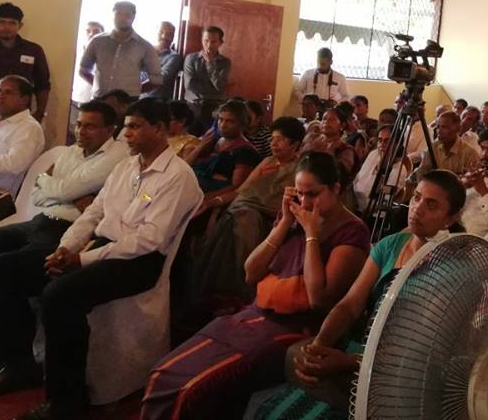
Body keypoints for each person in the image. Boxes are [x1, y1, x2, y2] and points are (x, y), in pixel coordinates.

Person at [0, 98, 203, 419]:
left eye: (135, 127)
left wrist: (83, 260)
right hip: (100, 247)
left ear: (160, 129)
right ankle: (16, 365)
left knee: (59, 295)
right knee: (0, 270)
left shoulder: (177, 176)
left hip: (139, 262)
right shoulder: (126, 167)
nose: (127, 134)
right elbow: (93, 213)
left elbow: (148, 240)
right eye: (126, 127)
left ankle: (66, 402)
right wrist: (66, 248)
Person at [142, 152, 369, 420]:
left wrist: (312, 236)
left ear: (336, 188)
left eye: (313, 194)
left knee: (190, 390)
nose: (305, 202)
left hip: (294, 328)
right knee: (165, 373)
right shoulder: (294, 217)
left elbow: (318, 299)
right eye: (299, 193)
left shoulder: (351, 232)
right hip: (254, 315)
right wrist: (284, 224)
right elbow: (251, 273)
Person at [245, 171, 466, 420]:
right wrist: (320, 345)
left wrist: (351, 361)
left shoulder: (453, 269)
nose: (418, 208)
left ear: (450, 218)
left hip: (400, 366)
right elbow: (350, 305)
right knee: (284, 388)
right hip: (361, 344)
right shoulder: (391, 245)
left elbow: (422, 347)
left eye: (432, 205)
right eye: (416, 197)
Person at [0, 101, 127, 348]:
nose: (81, 131)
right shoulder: (71, 151)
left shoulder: (116, 155)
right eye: (79, 124)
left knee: (1, 268)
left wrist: (56, 186)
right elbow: (38, 194)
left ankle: (16, 355)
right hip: (41, 220)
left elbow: (64, 188)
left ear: (109, 130)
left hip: (67, 229)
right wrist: (66, 192)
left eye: (90, 126)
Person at [189, 117, 307, 309]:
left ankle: (238, 290)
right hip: (244, 208)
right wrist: (213, 202)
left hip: (272, 217)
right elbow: (241, 191)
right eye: (272, 139)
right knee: (236, 217)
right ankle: (219, 293)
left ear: (295, 144)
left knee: (242, 220)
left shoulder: (300, 168)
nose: (273, 144)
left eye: (280, 140)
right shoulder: (267, 161)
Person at [0, 2, 51, 125]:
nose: (6, 27)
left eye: (12, 23)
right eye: (2, 22)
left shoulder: (33, 50)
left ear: (20, 25)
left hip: (20, 119)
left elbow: (43, 85)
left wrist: (40, 113)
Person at [79, 1, 161, 99]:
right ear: (113, 15)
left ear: (133, 17)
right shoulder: (97, 41)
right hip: (99, 99)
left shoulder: (145, 46)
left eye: (127, 15)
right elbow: (83, 70)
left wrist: (136, 90)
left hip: (128, 102)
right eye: (119, 14)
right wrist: (98, 86)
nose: (122, 18)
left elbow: (157, 80)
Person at [0, 75, 45, 196]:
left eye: (8, 92)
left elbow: (15, 164)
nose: (0, 96)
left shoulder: (29, 128)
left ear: (24, 99)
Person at [184, 99, 261, 198]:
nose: (223, 125)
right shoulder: (213, 141)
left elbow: (237, 188)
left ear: (242, 124)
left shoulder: (245, 151)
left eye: (230, 121)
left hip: (212, 198)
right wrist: (200, 147)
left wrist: (204, 199)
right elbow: (185, 166)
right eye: (220, 119)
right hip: (192, 188)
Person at [350, 124, 411, 212]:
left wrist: (381, 170)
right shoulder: (374, 154)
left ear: (397, 144)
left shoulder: (399, 169)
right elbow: (358, 180)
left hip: (371, 214)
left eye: (387, 141)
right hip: (354, 203)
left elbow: (384, 200)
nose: (382, 144)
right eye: (380, 140)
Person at [183, 26, 232, 125]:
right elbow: (189, 85)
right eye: (206, 41)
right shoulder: (191, 58)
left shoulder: (225, 62)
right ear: (201, 40)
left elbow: (219, 86)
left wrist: (210, 63)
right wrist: (214, 90)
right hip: (193, 105)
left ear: (220, 43)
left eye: (213, 42)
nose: (209, 45)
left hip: (215, 107)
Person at [415, 110, 478, 179]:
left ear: (458, 129)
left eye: (445, 127)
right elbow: (422, 173)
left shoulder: (470, 154)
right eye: (438, 127)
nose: (439, 131)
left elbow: (472, 180)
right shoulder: (433, 147)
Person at [142, 21, 181, 100]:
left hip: (156, 101)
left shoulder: (173, 57)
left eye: (169, 34)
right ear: (156, 33)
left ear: (173, 37)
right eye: (161, 32)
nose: (164, 36)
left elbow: (161, 79)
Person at [70, 21, 104, 109]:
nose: (91, 34)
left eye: (96, 32)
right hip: (73, 100)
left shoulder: (105, 56)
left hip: (93, 101)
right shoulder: (74, 53)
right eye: (88, 31)